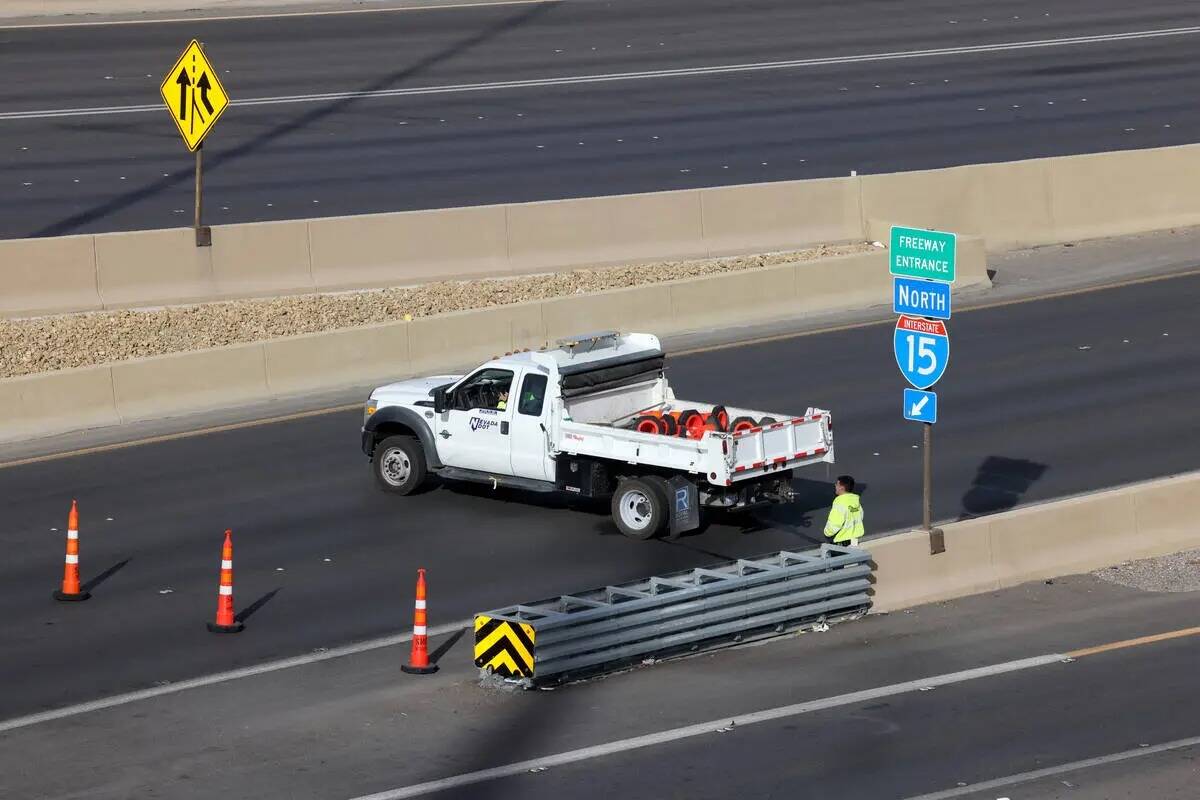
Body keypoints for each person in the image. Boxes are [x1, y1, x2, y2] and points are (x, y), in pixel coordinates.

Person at [824, 475, 865, 547]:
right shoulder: (855, 500)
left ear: (841, 488)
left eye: (837, 484)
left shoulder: (840, 502)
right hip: (854, 541)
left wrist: (827, 533)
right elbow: (860, 515)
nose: (835, 486)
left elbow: (835, 523)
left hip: (841, 543)